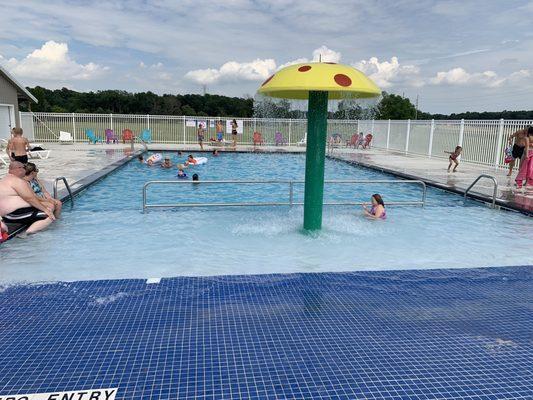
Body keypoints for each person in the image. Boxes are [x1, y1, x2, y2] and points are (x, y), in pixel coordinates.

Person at [0, 161, 55, 235]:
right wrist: (46, 210)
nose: (25, 170)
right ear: (19, 169)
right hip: (12, 215)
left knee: (47, 208)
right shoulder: (17, 181)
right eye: (24, 168)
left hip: (10, 214)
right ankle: (27, 234)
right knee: (48, 216)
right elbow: (30, 198)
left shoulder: (6, 179)